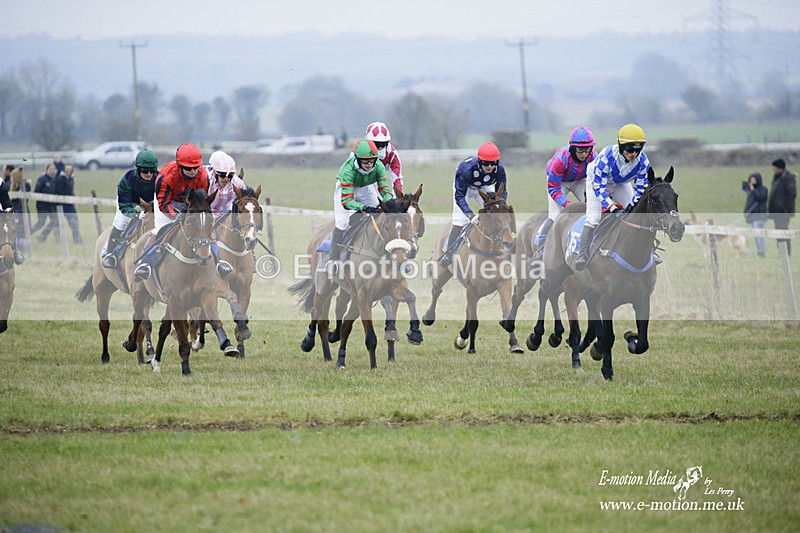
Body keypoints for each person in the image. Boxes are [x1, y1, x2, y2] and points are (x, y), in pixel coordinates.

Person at [133, 143, 232, 281]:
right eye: (188, 168)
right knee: (161, 229)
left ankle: (219, 261)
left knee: (205, 228)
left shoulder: (203, 176)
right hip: (167, 201)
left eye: (195, 168)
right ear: (180, 166)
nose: (192, 171)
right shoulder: (166, 177)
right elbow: (163, 203)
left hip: (190, 202)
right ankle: (145, 264)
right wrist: (175, 215)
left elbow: (201, 201)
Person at [575, 123, 651, 271]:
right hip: (596, 182)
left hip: (619, 183)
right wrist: (612, 207)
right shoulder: (606, 156)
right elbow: (599, 188)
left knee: (636, 213)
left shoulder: (643, 162)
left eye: (638, 149)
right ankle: (582, 254)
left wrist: (631, 207)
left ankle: (644, 250)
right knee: (594, 218)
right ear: (621, 146)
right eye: (630, 149)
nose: (634, 154)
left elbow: (641, 189)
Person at [327, 139, 393, 270]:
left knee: (379, 215)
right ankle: (332, 259)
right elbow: (347, 202)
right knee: (342, 223)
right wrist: (363, 208)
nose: (369, 164)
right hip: (346, 190)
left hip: (365, 188)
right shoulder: (348, 170)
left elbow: (384, 189)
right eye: (365, 161)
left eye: (371, 160)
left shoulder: (378, 166)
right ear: (357, 159)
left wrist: (389, 200)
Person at [439, 142, 507, 266]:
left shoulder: (500, 170)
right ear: (480, 161)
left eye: (492, 163)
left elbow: (502, 193)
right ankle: (449, 253)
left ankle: (502, 246)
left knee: (496, 214)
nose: (489, 166)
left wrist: (500, 208)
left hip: (484, 186)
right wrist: (470, 215)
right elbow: (459, 196)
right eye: (486, 163)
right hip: (465, 189)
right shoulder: (466, 169)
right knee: (460, 220)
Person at [533, 126, 596, 257]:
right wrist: (567, 204)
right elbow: (553, 188)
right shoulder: (561, 159)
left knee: (594, 209)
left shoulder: (593, 156)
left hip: (580, 181)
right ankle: (541, 250)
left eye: (587, 149)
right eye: (580, 150)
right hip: (558, 182)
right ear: (572, 147)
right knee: (555, 216)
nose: (584, 154)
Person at [101, 149, 159, 268]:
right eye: (144, 170)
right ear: (138, 169)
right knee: (121, 222)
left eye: (152, 170)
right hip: (129, 201)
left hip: (150, 202)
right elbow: (124, 206)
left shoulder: (159, 178)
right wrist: (136, 214)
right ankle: (110, 252)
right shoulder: (126, 180)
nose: (148, 173)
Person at [767, 158, 797, 257]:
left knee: (784, 232)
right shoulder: (777, 177)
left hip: (783, 212)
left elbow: (791, 195)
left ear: (780, 168)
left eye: (774, 167)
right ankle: (781, 252)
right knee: (778, 233)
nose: (773, 169)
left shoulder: (788, 178)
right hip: (776, 212)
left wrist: (787, 210)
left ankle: (786, 253)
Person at [365, 121, 404, 194]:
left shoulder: (392, 154)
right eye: (377, 144)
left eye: (383, 144)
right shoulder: (358, 153)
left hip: (378, 179)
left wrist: (397, 198)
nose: (380, 148)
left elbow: (397, 179)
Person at [206, 151, 246, 220]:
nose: (226, 179)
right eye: (222, 175)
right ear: (214, 172)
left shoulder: (238, 183)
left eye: (230, 176)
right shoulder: (206, 179)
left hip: (227, 216)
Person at [742, 171, 769, 257]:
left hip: (759, 215)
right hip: (751, 216)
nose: (752, 181)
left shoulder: (763, 189)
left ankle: (761, 252)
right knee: (755, 235)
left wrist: (753, 190)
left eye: (754, 179)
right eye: (751, 180)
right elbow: (745, 190)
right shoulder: (750, 190)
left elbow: (760, 197)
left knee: (759, 235)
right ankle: (759, 251)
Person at [55, 164, 82, 244]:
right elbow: (60, 191)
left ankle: (77, 239)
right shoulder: (60, 179)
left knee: (74, 222)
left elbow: (70, 191)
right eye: (67, 170)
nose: (68, 171)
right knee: (57, 222)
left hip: (70, 204)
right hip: (63, 205)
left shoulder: (71, 179)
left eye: (70, 170)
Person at [30, 163, 58, 241]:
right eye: (51, 169)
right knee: (41, 223)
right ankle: (28, 233)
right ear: (47, 169)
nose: (52, 171)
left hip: (51, 206)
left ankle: (42, 236)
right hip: (42, 205)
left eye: (54, 169)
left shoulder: (54, 180)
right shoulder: (42, 179)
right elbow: (36, 191)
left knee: (55, 221)